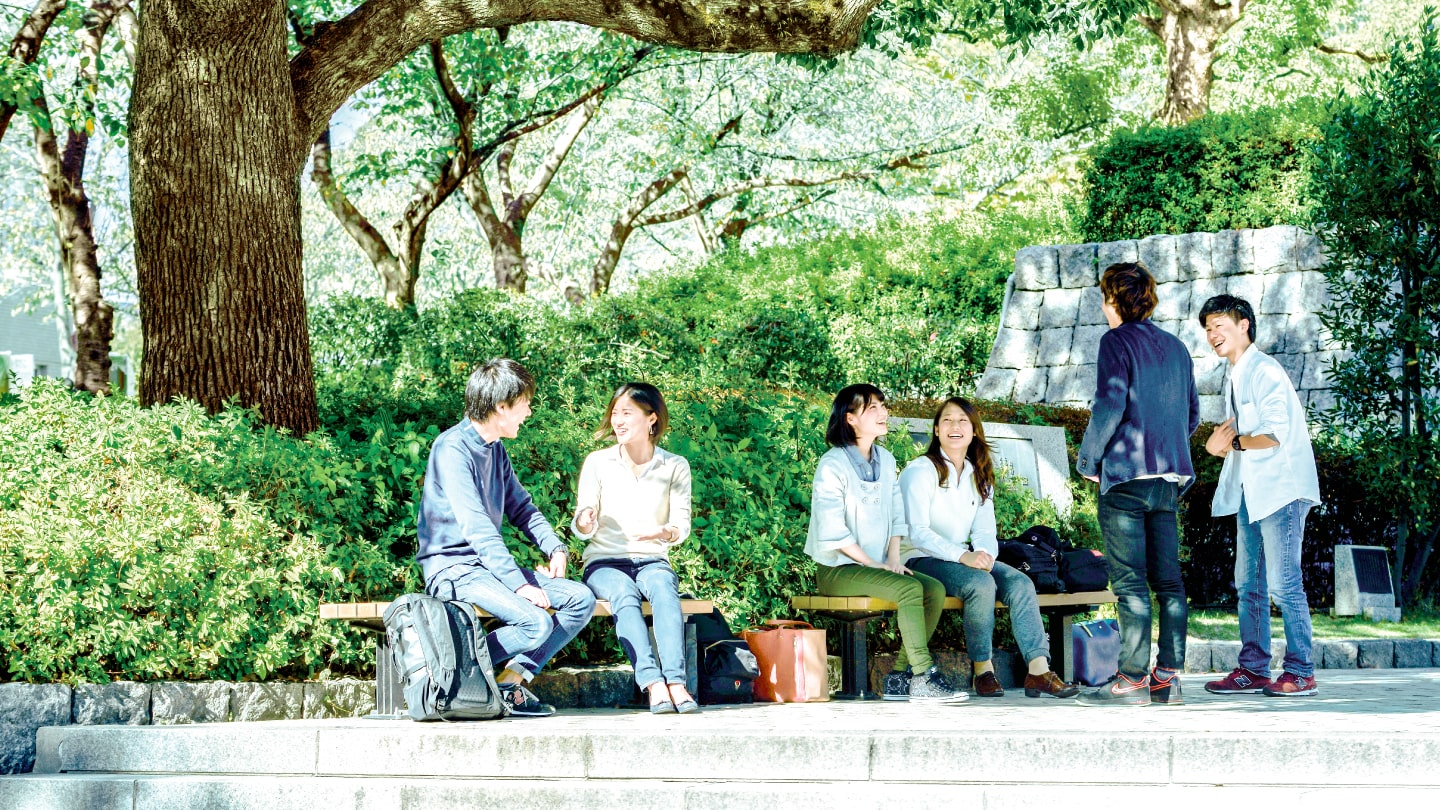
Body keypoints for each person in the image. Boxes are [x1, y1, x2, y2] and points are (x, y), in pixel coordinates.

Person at [416, 358, 596, 718]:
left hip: (485, 569)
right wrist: (518, 585)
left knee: (580, 599)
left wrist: (555, 547)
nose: (528, 411)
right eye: (524, 403)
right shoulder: (451, 449)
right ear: (501, 407)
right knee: (535, 622)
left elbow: (522, 508)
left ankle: (510, 682)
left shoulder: (495, 451)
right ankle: (447, 665)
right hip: (453, 570)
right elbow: (476, 526)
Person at [1074, 262, 1199, 707]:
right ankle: (1168, 679)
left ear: (1115, 299)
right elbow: (1192, 416)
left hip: (1125, 476)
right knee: (1169, 582)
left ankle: (1130, 682)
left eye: (1105, 297)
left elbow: (1108, 404)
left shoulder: (1115, 341)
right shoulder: (1177, 347)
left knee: (1130, 584)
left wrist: (1089, 461)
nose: (1104, 306)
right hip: (1168, 478)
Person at [899, 397, 1079, 699]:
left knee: (1020, 583)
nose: (955, 426)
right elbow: (917, 533)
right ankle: (983, 670)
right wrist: (964, 556)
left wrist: (984, 555)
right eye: (947, 420)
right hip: (918, 557)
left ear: (973, 431)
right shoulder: (920, 471)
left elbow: (984, 530)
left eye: (962, 421)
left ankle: (1038, 671)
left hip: (960, 556)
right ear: (936, 429)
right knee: (981, 584)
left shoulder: (978, 473)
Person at [805, 383, 968, 703]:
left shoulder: (887, 459)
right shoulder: (832, 464)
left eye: (883, 406)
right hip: (838, 570)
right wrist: (874, 564)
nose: (884, 413)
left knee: (932, 589)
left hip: (877, 567)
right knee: (909, 589)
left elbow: (897, 517)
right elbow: (833, 531)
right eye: (873, 408)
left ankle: (899, 677)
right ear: (851, 419)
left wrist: (893, 560)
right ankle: (923, 675)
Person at [1198, 295, 1323, 697]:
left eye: (1220, 325)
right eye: (1207, 329)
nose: (1212, 335)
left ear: (1244, 325)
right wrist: (1226, 443)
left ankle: (1301, 670)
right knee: (1248, 583)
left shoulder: (1265, 370)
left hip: (1283, 490)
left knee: (1284, 584)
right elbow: (1242, 435)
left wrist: (1230, 444)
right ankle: (1253, 669)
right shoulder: (1237, 375)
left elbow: (1274, 433)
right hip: (1255, 491)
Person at [572, 383, 698, 714]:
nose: (618, 421)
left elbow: (681, 524)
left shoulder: (674, 466)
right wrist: (585, 521)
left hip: (652, 559)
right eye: (615, 413)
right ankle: (653, 684)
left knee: (663, 588)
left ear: (651, 418)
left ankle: (676, 683)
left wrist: (665, 531)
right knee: (623, 595)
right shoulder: (598, 462)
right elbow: (583, 523)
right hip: (605, 563)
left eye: (627, 413)